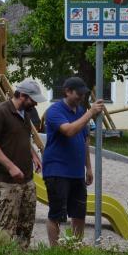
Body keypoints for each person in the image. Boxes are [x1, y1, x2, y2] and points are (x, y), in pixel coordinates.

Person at [42, 76, 104, 246]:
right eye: (79, 94)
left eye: (84, 95)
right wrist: (90, 113)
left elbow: (85, 141)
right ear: (67, 91)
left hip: (76, 173)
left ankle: (74, 248)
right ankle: (55, 251)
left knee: (79, 213)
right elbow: (69, 131)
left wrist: (88, 168)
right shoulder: (55, 111)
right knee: (57, 214)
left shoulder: (80, 111)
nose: (82, 98)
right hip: (57, 171)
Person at [0, 78, 46, 248]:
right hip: (7, 180)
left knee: (26, 225)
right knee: (5, 226)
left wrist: (34, 155)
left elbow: (24, 138)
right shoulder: (0, 112)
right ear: (23, 96)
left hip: (27, 178)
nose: (36, 104)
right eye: (33, 100)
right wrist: (10, 167)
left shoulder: (25, 114)